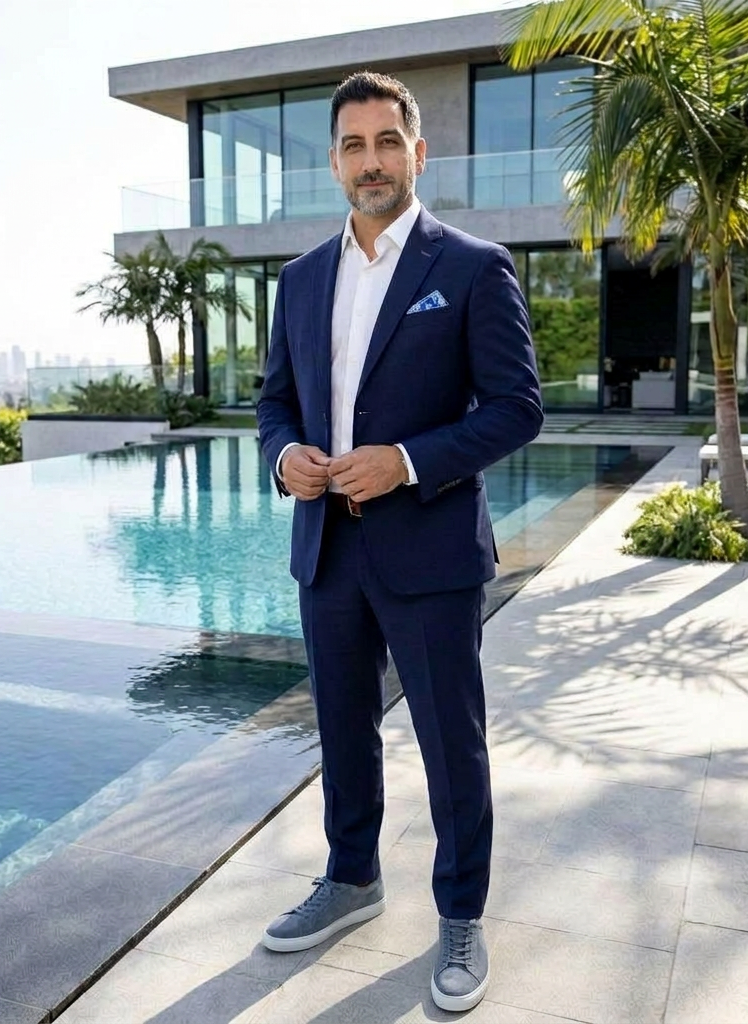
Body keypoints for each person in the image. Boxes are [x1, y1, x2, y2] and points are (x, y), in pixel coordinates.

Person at [256, 71, 544, 1012]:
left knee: (449, 745)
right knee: (341, 733)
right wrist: (287, 454)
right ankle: (351, 879)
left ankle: (460, 915)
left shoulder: (470, 267)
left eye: (388, 142)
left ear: (418, 153)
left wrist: (409, 462)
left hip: (429, 551)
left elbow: (516, 409)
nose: (371, 161)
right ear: (333, 161)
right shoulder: (299, 280)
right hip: (327, 550)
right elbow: (273, 405)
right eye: (353, 145)